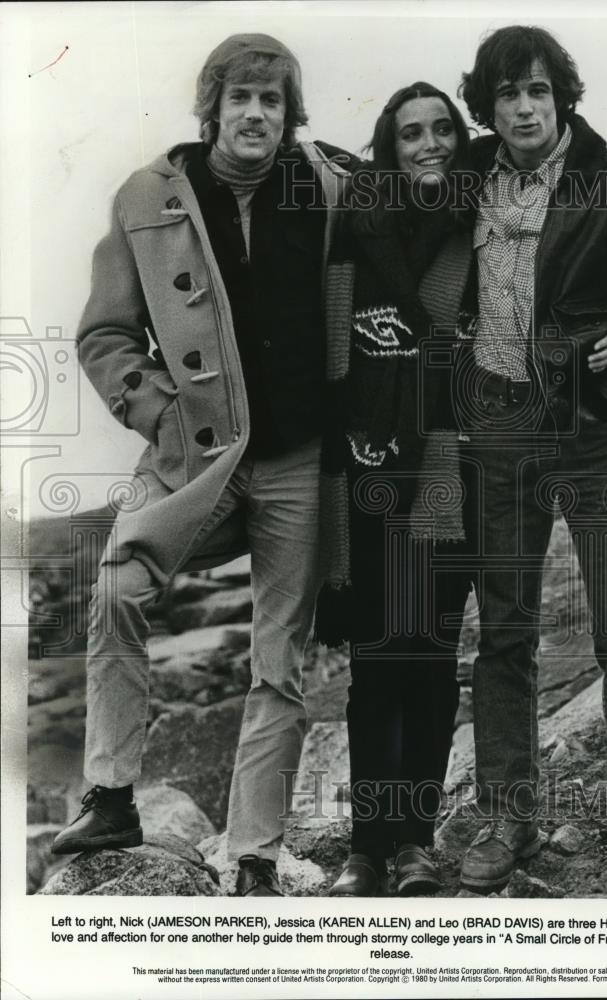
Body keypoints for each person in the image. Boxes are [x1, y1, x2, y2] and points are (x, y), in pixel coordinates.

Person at [50, 34, 353, 898]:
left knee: (279, 658)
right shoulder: (146, 196)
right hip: (192, 457)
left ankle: (254, 853)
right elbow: (105, 334)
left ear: (291, 114)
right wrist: (158, 411)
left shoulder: (330, 187)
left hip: (299, 459)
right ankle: (112, 796)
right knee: (118, 588)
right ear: (212, 109)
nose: (255, 114)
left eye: (271, 100)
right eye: (239, 99)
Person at [456, 25, 607, 893]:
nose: (524, 108)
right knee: (504, 635)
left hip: (591, 436)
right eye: (507, 93)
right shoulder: (462, 182)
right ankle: (508, 816)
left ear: (561, 98)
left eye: (539, 91)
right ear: (486, 106)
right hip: (497, 433)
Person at [316, 82, 478, 897]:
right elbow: (330, 354)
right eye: (411, 133)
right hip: (365, 467)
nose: (429, 144)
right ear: (390, 146)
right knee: (376, 661)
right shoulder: (352, 227)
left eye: (442, 129)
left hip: (448, 464)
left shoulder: (477, 228)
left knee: (431, 659)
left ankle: (413, 841)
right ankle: (365, 848)